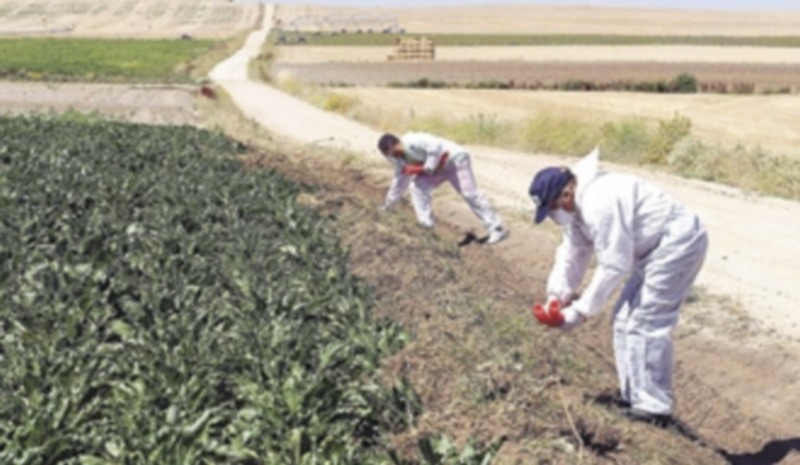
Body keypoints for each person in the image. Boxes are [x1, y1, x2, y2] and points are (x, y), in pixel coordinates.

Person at [528, 147, 708, 426]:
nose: (552, 216)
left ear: (564, 195)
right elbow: (573, 253)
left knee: (647, 321)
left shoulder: (599, 201)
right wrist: (557, 297)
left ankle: (654, 408)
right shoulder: (577, 208)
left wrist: (578, 312)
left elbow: (614, 265)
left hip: (677, 242)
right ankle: (634, 396)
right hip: (652, 249)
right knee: (623, 319)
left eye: (550, 209)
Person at [377, 131, 509, 244]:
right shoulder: (402, 161)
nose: (392, 157)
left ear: (395, 144)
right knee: (418, 187)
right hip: (438, 170)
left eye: (391, 152)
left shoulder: (412, 140)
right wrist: (388, 206)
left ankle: (496, 228)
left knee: (469, 193)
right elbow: (397, 185)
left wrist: (430, 164)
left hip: (455, 160)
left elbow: (435, 145)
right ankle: (427, 228)